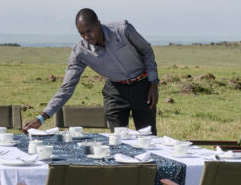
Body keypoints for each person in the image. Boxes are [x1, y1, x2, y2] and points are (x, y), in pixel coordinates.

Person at [22, 8, 159, 132]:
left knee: (148, 138)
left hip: (143, 87)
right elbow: (66, 88)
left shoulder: (123, 30)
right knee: (119, 141)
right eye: (81, 33)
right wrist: (41, 118)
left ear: (98, 24)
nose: (87, 37)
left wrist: (153, 83)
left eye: (89, 31)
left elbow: (147, 51)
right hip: (115, 92)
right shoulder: (80, 52)